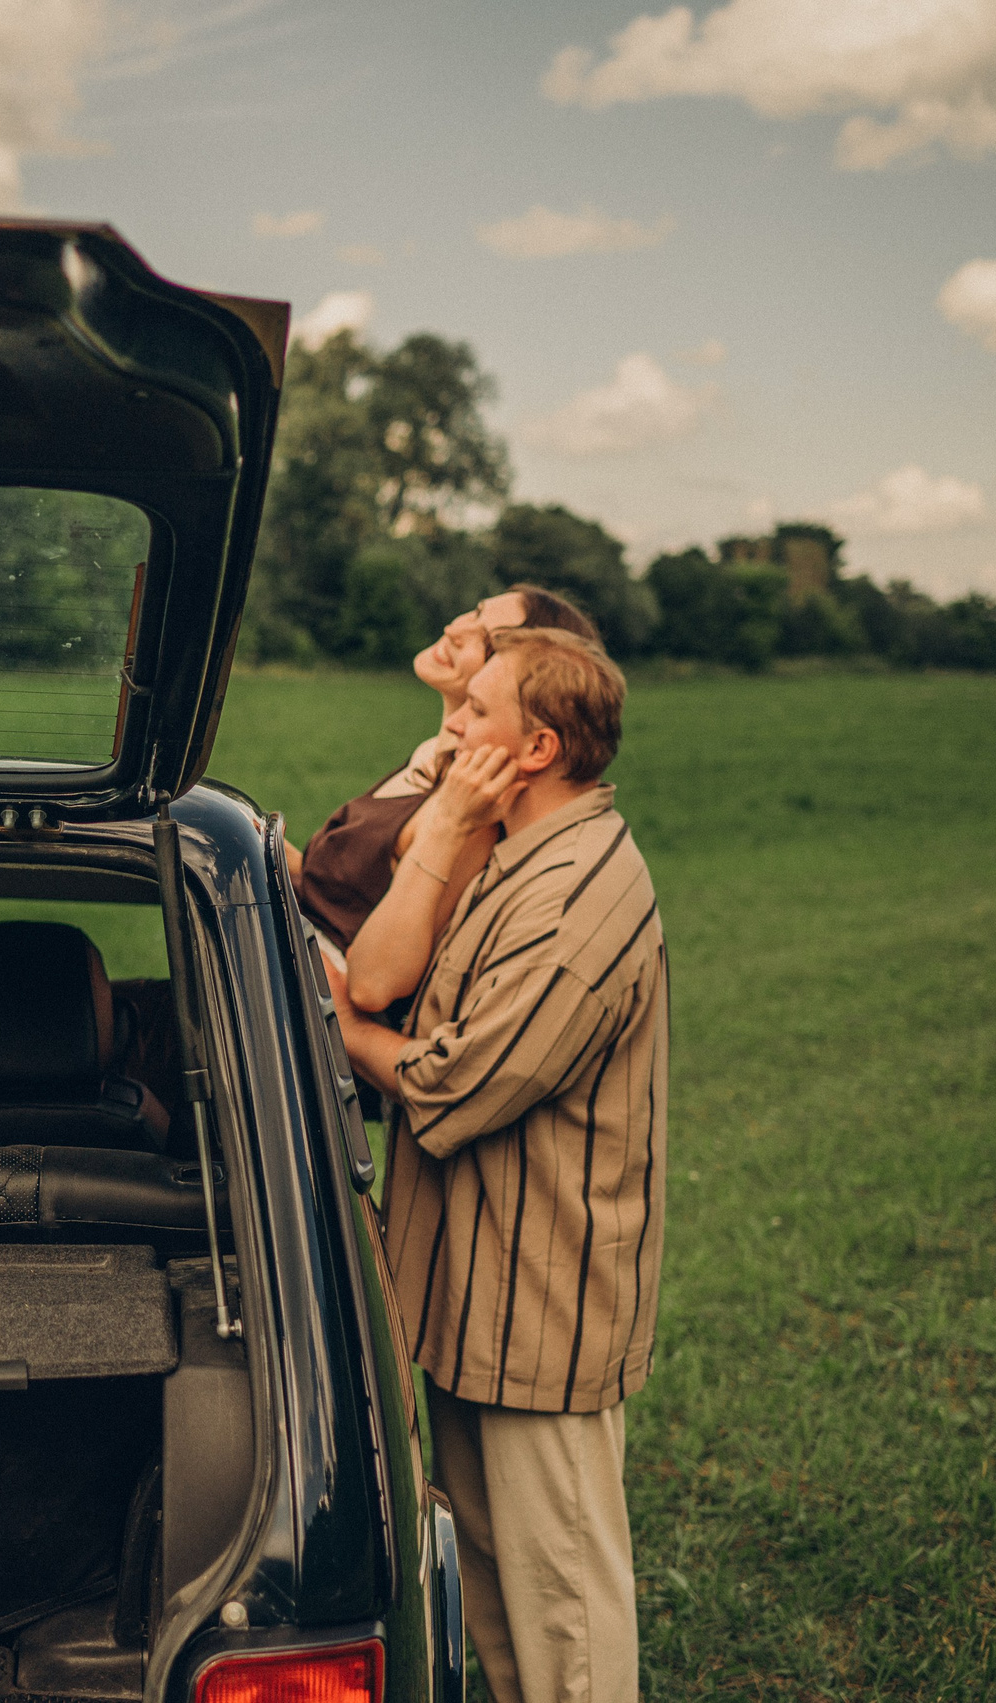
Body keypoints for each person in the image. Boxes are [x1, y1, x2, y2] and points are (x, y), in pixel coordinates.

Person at [328, 627, 668, 1703]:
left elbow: (452, 1085)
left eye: (476, 709)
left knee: (563, 1609)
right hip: (476, 1297)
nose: (453, 723)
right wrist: (449, 817)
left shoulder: (575, 898)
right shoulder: (510, 842)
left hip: (541, 1307)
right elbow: (396, 979)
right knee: (498, 1595)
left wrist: (332, 1027)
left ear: (536, 746)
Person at [289, 584, 599, 953]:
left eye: (485, 638)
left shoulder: (470, 808)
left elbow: (375, 969)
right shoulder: (431, 756)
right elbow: (326, 890)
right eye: (476, 610)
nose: (454, 628)